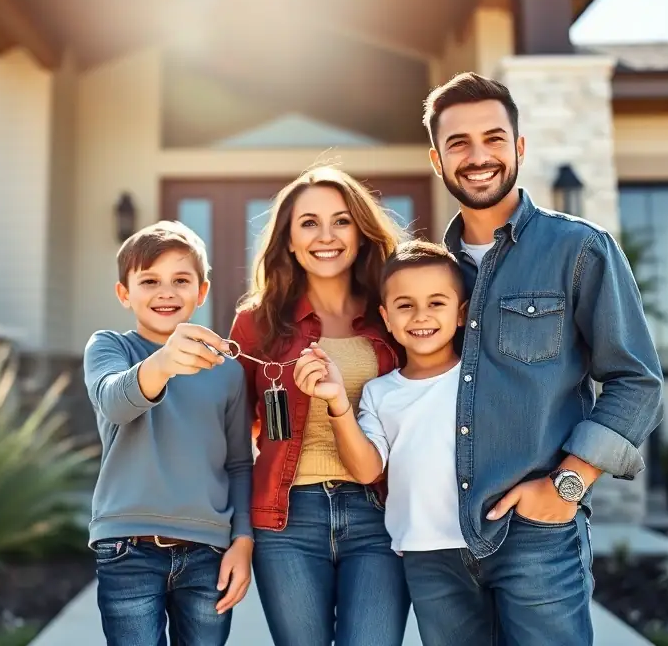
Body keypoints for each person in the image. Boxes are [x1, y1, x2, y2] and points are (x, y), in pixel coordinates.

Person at [361, 71, 659, 646]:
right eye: (459, 144)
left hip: (537, 537)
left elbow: (636, 382)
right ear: (436, 159)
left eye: (494, 139)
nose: (478, 157)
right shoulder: (425, 274)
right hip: (437, 547)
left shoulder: (579, 250)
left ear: (519, 147)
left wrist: (569, 485)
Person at [228, 165, 411, 646]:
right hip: (287, 521)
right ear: (288, 239)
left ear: (361, 233)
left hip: (378, 514)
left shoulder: (393, 315)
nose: (325, 236)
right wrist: (238, 533)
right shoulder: (255, 324)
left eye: (341, 221)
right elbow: (231, 439)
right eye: (308, 223)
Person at [292, 241, 473, 642]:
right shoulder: (379, 393)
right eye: (405, 305)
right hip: (425, 555)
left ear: (461, 314)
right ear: (386, 318)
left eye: (436, 303)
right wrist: (338, 402)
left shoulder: (480, 380)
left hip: (492, 544)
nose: (421, 316)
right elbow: (368, 468)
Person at [83, 220, 254, 646]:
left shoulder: (228, 371)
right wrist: (163, 363)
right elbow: (113, 403)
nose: (166, 291)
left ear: (202, 292)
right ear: (125, 293)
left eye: (181, 280)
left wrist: (243, 541)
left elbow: (238, 463)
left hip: (208, 554)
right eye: (150, 281)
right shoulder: (110, 347)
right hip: (128, 550)